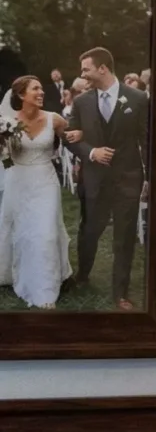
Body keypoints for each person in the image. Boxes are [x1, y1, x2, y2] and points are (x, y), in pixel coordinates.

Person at [65, 47, 149, 311]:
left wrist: (149, 178)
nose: (82, 75)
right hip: (94, 179)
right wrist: (91, 151)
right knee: (89, 231)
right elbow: (69, 138)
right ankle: (83, 275)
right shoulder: (81, 102)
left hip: (127, 178)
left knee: (124, 236)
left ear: (103, 68)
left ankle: (120, 292)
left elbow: (147, 140)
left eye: (86, 69)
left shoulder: (138, 98)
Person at [0, 76, 74, 308]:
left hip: (45, 181)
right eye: (36, 89)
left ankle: (44, 288)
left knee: (46, 233)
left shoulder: (55, 119)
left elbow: (71, 140)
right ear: (22, 95)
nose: (41, 92)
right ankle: (11, 273)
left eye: (42, 88)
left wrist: (79, 137)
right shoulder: (6, 122)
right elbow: (5, 159)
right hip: (18, 180)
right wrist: (5, 150)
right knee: (21, 230)